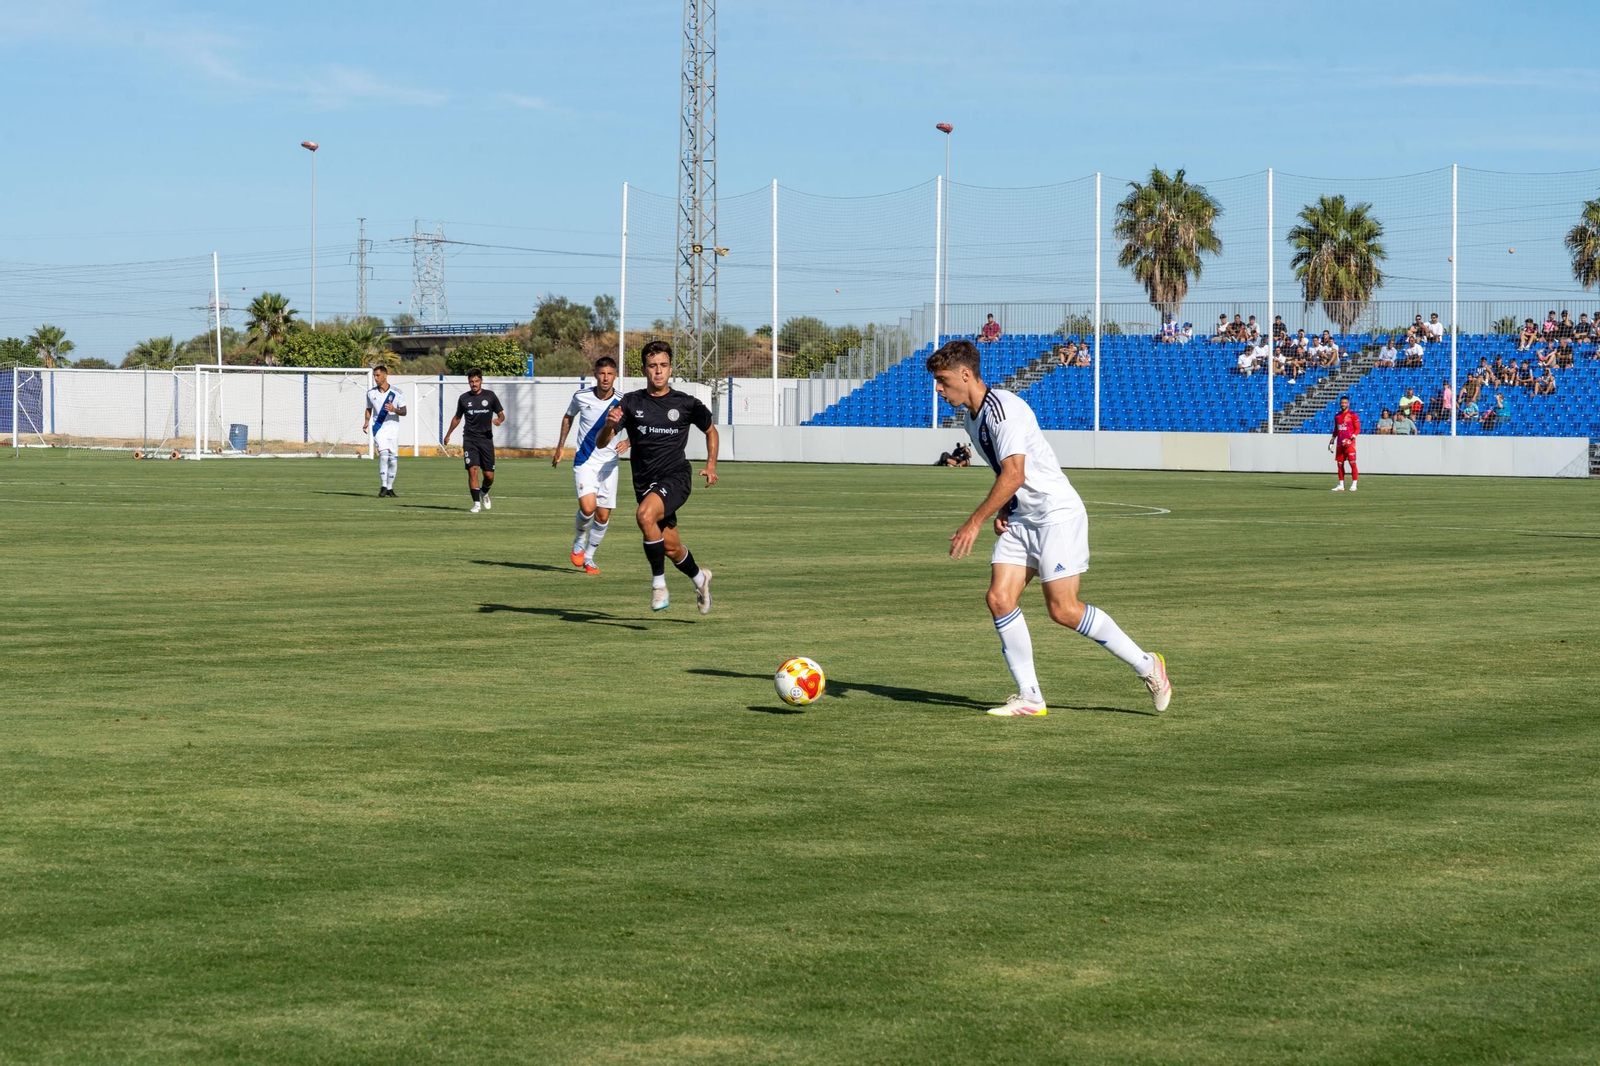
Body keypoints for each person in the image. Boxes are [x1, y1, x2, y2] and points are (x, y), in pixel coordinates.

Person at [927, 338, 1172, 718]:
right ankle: (1030, 696)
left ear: (965, 375)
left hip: (1055, 515)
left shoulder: (1003, 410)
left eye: (942, 380)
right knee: (999, 598)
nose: (938, 389)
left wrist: (974, 522)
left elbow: (1015, 473)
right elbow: (1008, 474)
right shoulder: (971, 419)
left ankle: (1147, 665)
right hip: (1024, 518)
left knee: (1063, 609)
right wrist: (1006, 506)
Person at [594, 340, 718, 614]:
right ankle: (701, 579)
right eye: (652, 366)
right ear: (644, 369)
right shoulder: (630, 402)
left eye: (663, 365)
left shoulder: (686, 403)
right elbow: (602, 443)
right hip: (645, 483)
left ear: (670, 369)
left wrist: (711, 466)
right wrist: (609, 426)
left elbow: (711, 430)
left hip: (676, 477)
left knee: (644, 515)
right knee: (671, 548)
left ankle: (659, 585)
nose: (658, 371)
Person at [552, 356, 632, 573]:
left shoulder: (623, 401)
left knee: (603, 516)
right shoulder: (581, 396)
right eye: (602, 373)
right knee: (588, 508)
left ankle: (589, 557)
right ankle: (579, 540)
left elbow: (638, 425)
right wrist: (561, 446)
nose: (605, 378)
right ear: (595, 374)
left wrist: (628, 442)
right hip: (585, 461)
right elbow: (568, 417)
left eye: (609, 374)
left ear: (615, 376)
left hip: (610, 464)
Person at [441, 368, 506, 513]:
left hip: (486, 440)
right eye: (471, 381)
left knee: (489, 476)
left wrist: (499, 420)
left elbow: (501, 414)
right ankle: (476, 503)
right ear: (468, 382)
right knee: (473, 470)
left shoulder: (490, 396)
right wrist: (448, 434)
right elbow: (457, 417)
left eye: (476, 381)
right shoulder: (464, 398)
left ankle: (484, 492)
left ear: (481, 381)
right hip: (470, 439)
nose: (474, 384)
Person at [361, 364, 407, 497]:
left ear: (385, 375)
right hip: (379, 429)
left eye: (378, 375)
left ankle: (390, 488)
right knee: (383, 456)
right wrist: (366, 421)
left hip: (393, 430)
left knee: (393, 460)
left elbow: (404, 411)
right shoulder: (371, 393)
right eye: (374, 376)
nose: (375, 378)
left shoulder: (397, 393)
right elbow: (368, 409)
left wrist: (394, 409)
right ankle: (383, 486)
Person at [1329, 395, 1360, 492]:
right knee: (1339, 464)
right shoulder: (1337, 416)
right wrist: (1332, 440)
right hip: (1340, 444)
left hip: (1350, 444)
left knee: (1352, 463)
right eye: (1342, 403)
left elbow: (1357, 429)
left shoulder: (1353, 415)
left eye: (1345, 403)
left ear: (1348, 404)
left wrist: (1352, 438)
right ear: (1340, 404)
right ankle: (1341, 485)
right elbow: (1336, 429)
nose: (1343, 404)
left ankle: (1354, 484)